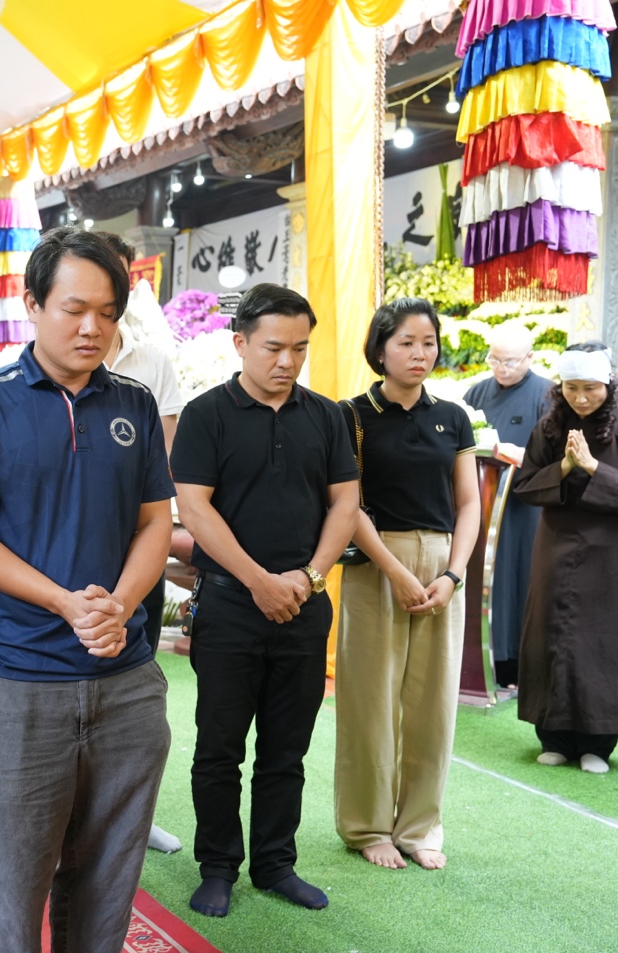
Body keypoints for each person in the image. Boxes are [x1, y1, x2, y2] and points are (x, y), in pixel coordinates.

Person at [0, 227, 175, 952]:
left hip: (126, 682)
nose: (92, 327)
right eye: (74, 308)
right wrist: (66, 602)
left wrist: (121, 606)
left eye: (108, 312)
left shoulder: (134, 401)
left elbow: (157, 519)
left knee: (107, 882)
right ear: (32, 303)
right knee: (11, 887)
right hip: (19, 682)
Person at [172, 284, 360, 916]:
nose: (287, 361)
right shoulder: (206, 415)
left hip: (304, 606)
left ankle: (276, 863)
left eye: (299, 348)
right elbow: (194, 510)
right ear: (241, 343)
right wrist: (258, 579)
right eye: (274, 347)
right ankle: (218, 865)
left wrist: (306, 579)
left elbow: (345, 504)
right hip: (229, 605)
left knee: (287, 748)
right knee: (219, 745)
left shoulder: (328, 416)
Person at [334, 297, 480, 872]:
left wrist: (452, 575)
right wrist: (395, 570)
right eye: (406, 343)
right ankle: (367, 826)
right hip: (377, 560)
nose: (420, 354)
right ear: (379, 349)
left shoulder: (454, 416)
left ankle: (419, 827)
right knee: (370, 701)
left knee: (434, 704)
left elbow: (468, 502)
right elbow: (346, 505)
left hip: (444, 562)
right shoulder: (352, 415)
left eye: (428, 343)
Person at [513, 342, 618, 774]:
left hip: (609, 548)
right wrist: (563, 466)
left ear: (608, 385)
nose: (580, 398)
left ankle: (599, 742)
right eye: (572, 388)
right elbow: (525, 486)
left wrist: (593, 466)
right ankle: (554, 736)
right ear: (560, 388)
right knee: (550, 631)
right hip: (556, 543)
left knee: (602, 640)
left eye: (590, 388)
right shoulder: (549, 426)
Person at [98, 232, 186, 856]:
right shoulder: (49, 353)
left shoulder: (153, 359)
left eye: (118, 277)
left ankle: (134, 813)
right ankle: (77, 808)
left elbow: (169, 458)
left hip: (140, 545)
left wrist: (166, 534)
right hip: (68, 546)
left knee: (136, 675)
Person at [463, 322, 553, 688]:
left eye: (511, 362)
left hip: (526, 507)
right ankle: (484, 664)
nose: (502, 369)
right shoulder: (477, 393)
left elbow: (554, 452)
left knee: (521, 580)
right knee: (488, 581)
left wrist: (522, 457)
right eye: (495, 360)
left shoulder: (546, 395)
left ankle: (519, 665)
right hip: (483, 505)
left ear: (530, 358)